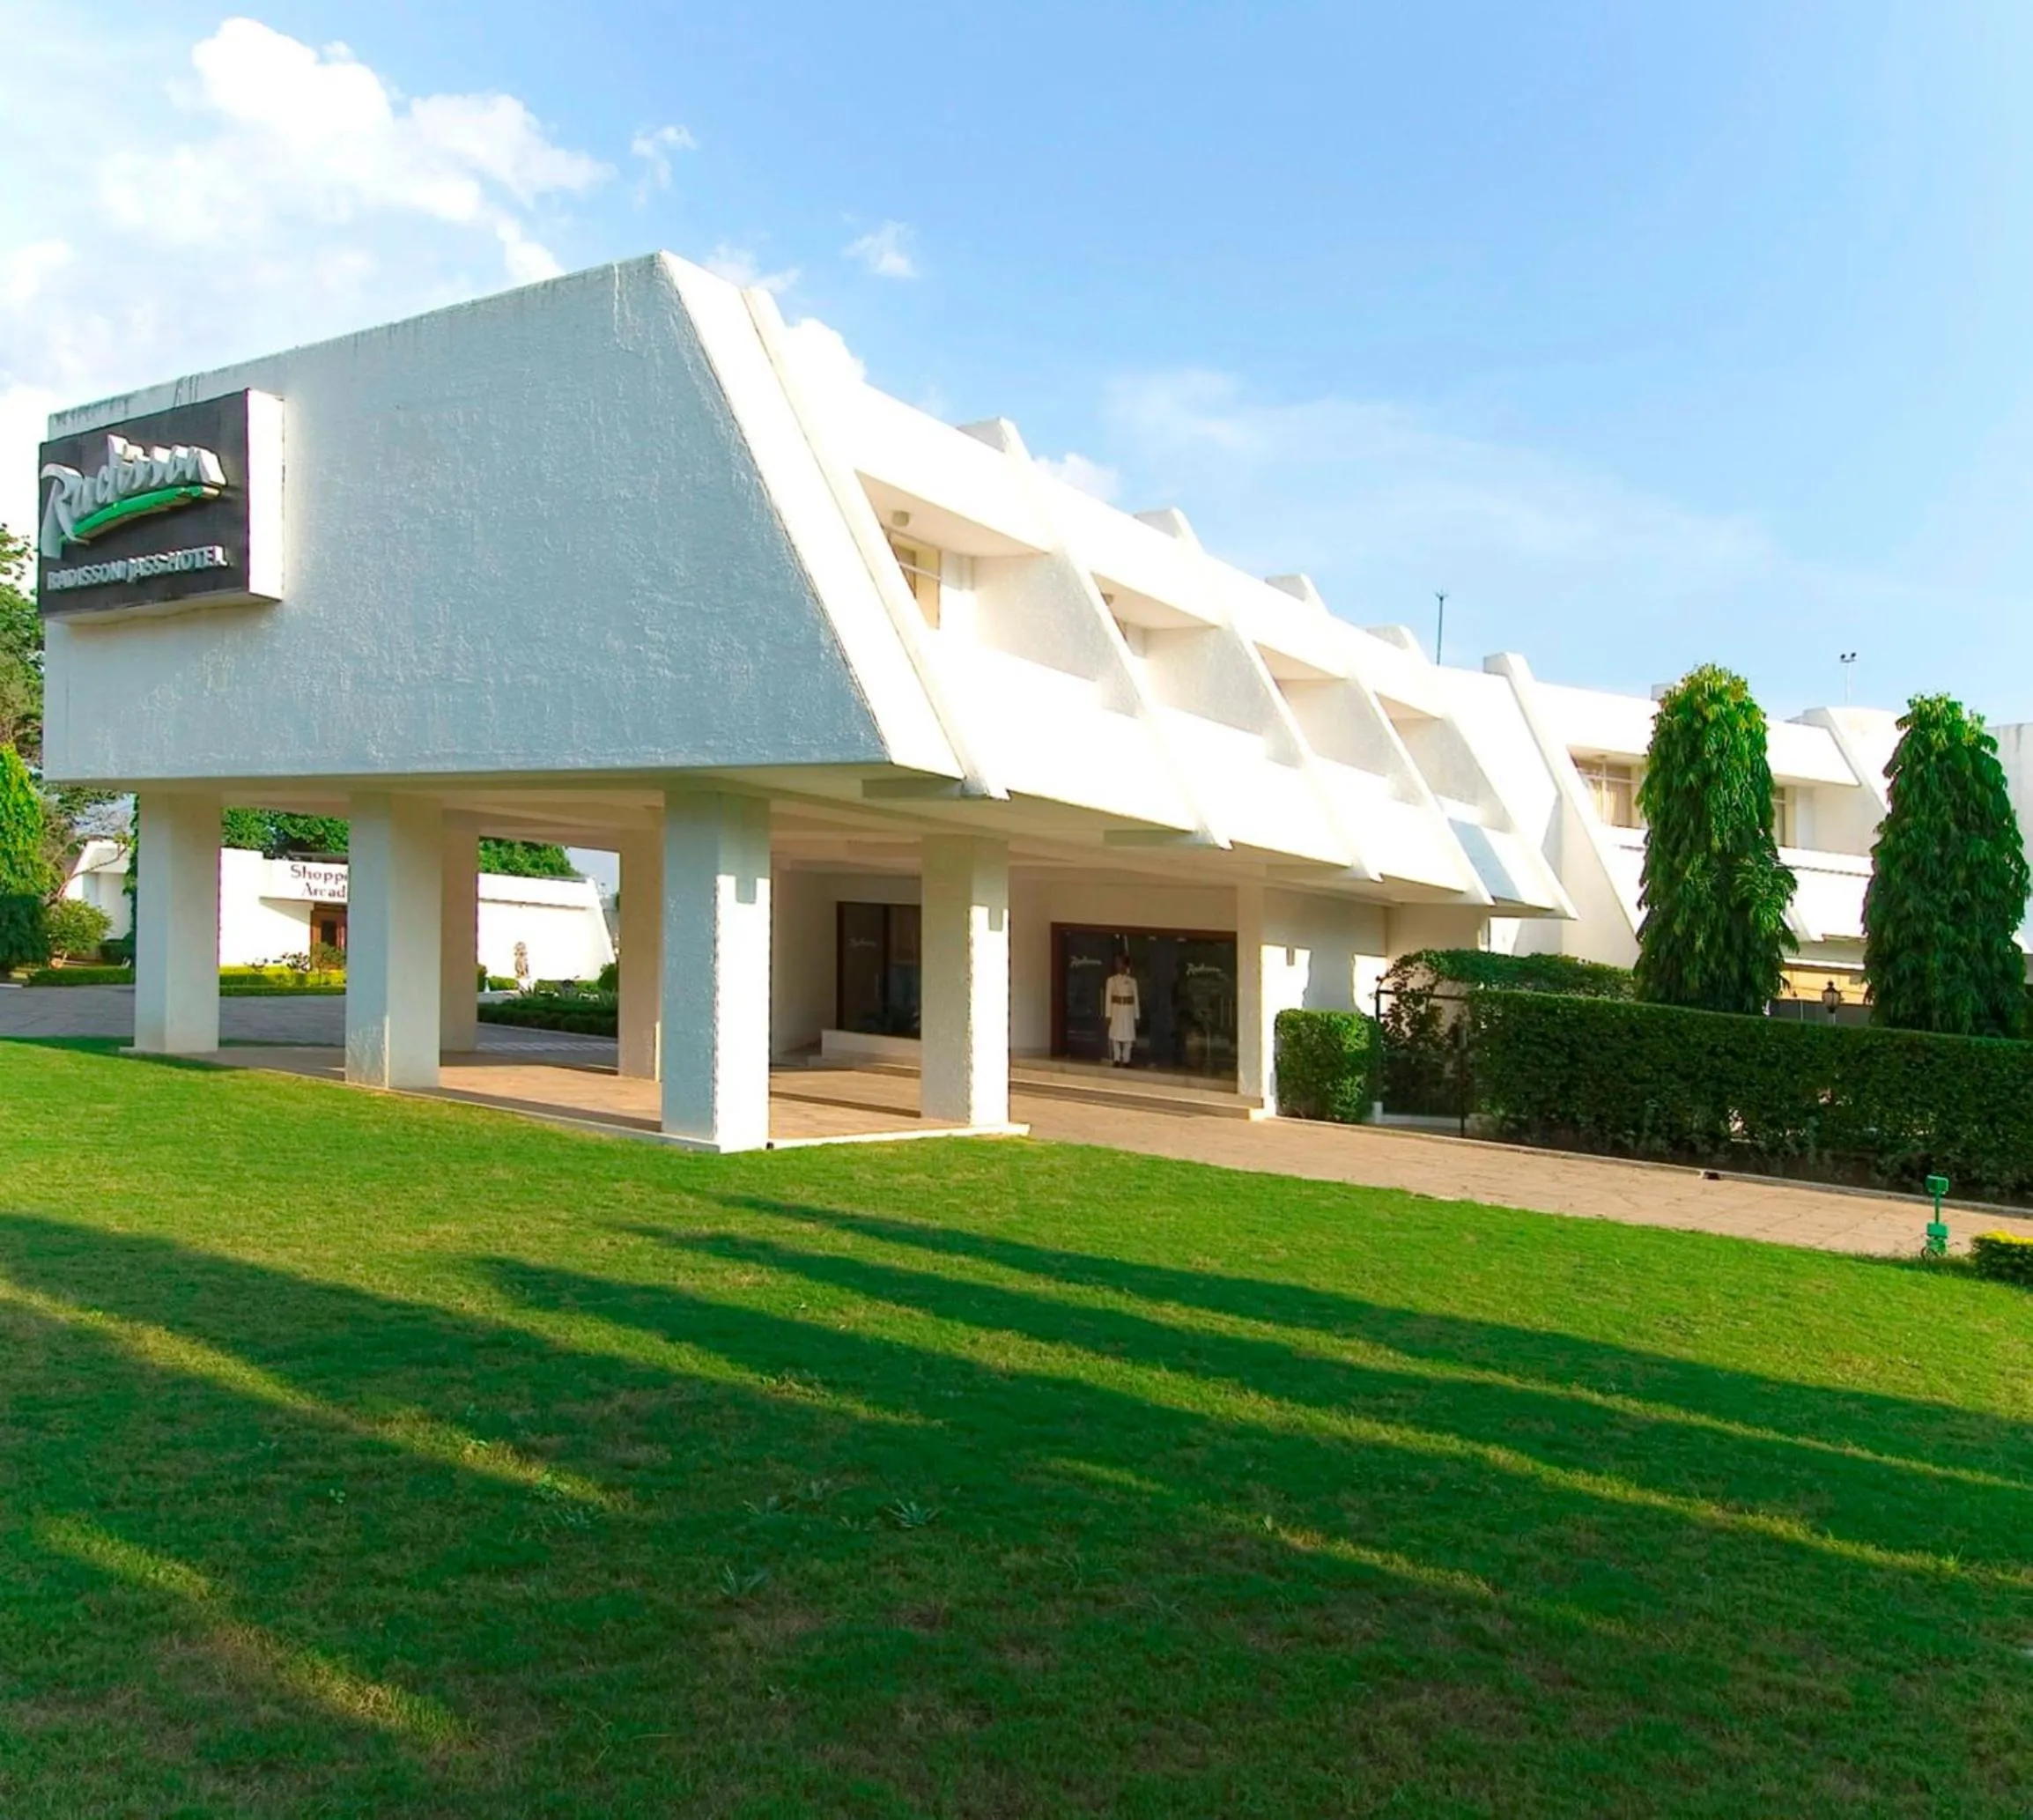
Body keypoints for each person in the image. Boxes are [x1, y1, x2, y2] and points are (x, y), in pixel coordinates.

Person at [1104, 952, 1141, 1067]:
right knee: (1115, 1035)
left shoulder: (1132, 981)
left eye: (1120, 962)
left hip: (1128, 1011)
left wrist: (1137, 1015)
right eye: (1117, 963)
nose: (1118, 965)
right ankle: (1116, 1058)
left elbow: (1136, 999)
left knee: (1128, 1036)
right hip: (1116, 1010)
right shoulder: (1112, 980)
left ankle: (1126, 1059)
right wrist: (1108, 1014)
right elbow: (1108, 998)